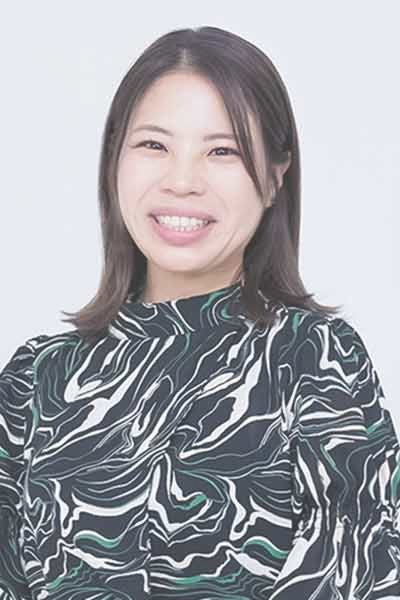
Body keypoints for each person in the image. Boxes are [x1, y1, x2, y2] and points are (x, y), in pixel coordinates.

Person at [1, 25, 399, 600]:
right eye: (154, 145)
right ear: (114, 158)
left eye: (222, 151)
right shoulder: (36, 380)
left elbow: (361, 573)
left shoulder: (314, 360)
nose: (182, 181)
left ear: (275, 178)